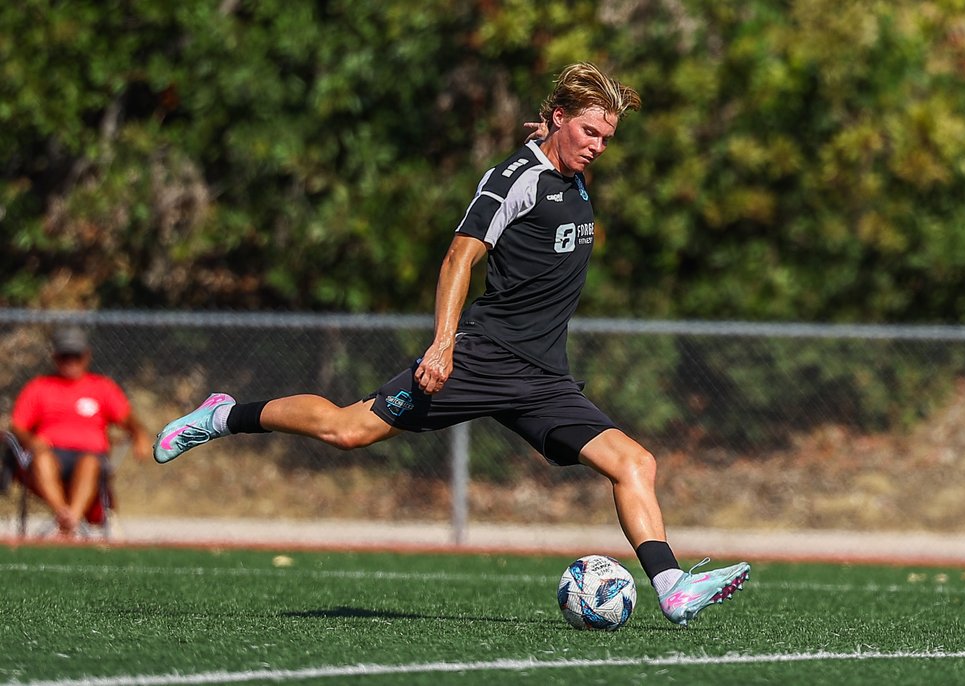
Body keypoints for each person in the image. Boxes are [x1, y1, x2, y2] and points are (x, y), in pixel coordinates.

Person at [154, 62, 750, 626]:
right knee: (347, 430)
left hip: (542, 379)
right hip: (481, 359)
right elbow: (459, 257)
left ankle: (671, 590)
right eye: (588, 130)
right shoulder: (513, 179)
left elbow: (558, 154)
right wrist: (443, 345)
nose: (596, 145)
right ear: (561, 117)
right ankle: (223, 415)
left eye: (606, 136)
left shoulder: (569, 169)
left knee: (635, 463)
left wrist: (553, 135)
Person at [11, 326, 153, 536]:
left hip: (91, 458)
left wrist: (139, 434)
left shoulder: (102, 387)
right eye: (65, 356)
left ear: (86, 356)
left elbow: (127, 419)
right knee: (41, 459)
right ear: (55, 357)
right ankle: (64, 515)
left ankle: (70, 523)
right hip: (51, 456)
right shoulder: (39, 387)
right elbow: (17, 426)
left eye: (76, 356)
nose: (70, 362)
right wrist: (31, 441)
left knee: (89, 462)